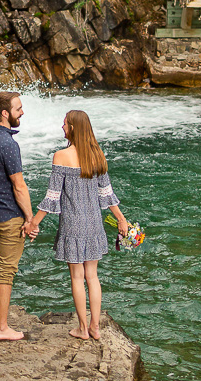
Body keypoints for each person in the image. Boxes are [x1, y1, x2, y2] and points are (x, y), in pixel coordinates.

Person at [27, 108, 128, 340]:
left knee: (76, 277)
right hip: (94, 223)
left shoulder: (61, 157)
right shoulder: (97, 155)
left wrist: (33, 222)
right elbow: (107, 194)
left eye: (65, 124)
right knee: (92, 276)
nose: (62, 127)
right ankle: (95, 327)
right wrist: (121, 219)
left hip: (72, 224)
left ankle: (82, 329)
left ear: (73, 127)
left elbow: (52, 196)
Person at [0, 90, 37, 342]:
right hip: (9, 216)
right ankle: (2, 327)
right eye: (18, 109)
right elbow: (19, 186)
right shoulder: (8, 144)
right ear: (5, 113)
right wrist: (30, 219)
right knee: (5, 271)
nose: (22, 112)